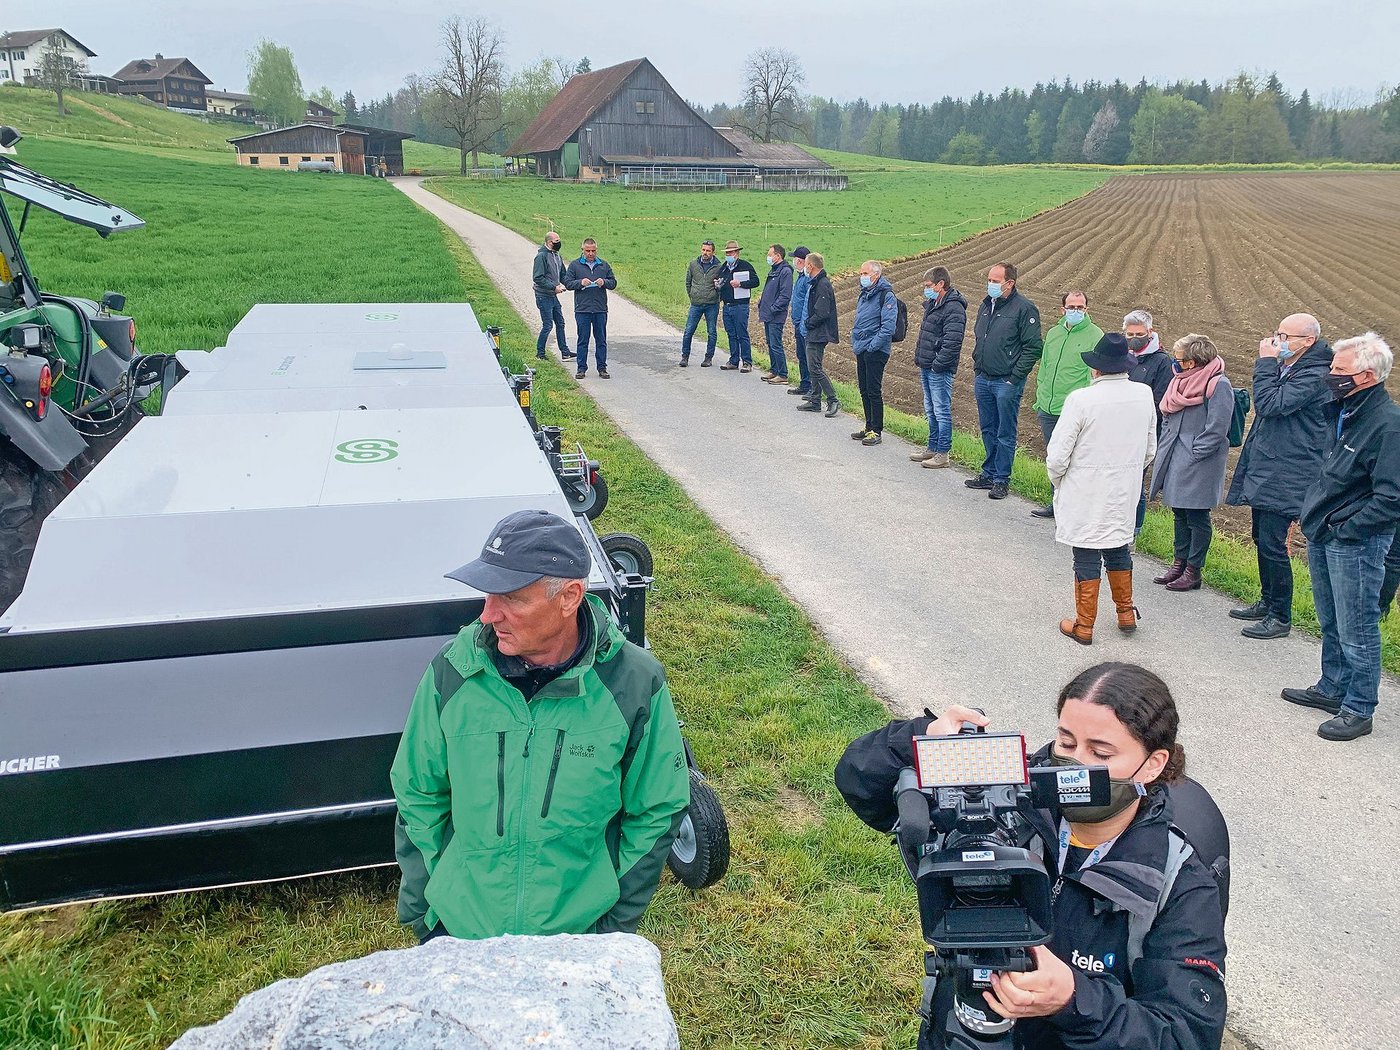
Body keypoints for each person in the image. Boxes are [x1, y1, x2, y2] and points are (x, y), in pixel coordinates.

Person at [835, 662, 1227, 1050]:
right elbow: (859, 781)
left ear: (1152, 764)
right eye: (1067, 743)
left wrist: (1074, 1000)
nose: (1077, 765)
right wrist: (921, 738)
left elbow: (1185, 1034)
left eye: (1101, 752)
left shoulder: (1179, 882)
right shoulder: (1006, 800)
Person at [392, 509, 691, 941]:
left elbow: (658, 807)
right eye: (487, 595)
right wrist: (427, 918)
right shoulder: (452, 673)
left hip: (578, 938)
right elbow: (417, 791)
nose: (488, 615)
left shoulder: (634, 684)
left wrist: (611, 926)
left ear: (569, 597)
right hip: (461, 934)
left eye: (510, 598)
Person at [1285, 332, 1400, 741]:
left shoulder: (1387, 426)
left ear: (1366, 376)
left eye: (1338, 370)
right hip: (1325, 532)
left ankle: (1359, 708)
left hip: (1356, 542)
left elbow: (1392, 498)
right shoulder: (1345, 410)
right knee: (1331, 618)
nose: (1330, 375)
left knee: (1358, 625)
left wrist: (1347, 530)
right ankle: (1332, 687)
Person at [1223, 314, 1333, 640]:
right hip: (1273, 464)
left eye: (1285, 336)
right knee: (1261, 537)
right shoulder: (1294, 367)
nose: (1277, 342)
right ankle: (1268, 600)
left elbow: (1270, 404)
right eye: (1277, 335)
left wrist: (1265, 364)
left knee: (1273, 543)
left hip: (1291, 471)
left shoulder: (1315, 374)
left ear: (1308, 341)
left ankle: (1280, 615)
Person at [1045, 333, 1157, 644]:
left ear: (1096, 368)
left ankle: (1084, 625)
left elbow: (1057, 455)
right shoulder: (1144, 394)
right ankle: (1125, 613)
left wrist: (1059, 480)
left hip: (1085, 487)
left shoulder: (1081, 399)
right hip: (1124, 487)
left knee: (1086, 550)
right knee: (1118, 544)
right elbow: (1150, 448)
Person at [1149, 335, 1233, 592]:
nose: (1175, 364)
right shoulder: (1180, 381)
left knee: (1197, 515)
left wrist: (1196, 452)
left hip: (1199, 461)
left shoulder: (1218, 384)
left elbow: (1218, 427)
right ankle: (1179, 563)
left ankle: (1193, 570)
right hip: (1175, 454)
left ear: (1193, 362)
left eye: (1179, 360)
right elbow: (1168, 414)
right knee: (1179, 510)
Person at [967, 262, 1043, 500]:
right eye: (989, 280)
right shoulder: (986, 305)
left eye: (995, 281)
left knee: (1005, 431)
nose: (990, 284)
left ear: (1010, 283)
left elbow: (1033, 348)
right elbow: (981, 336)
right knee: (988, 428)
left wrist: (1014, 377)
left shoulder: (1024, 309)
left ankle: (1001, 479)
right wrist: (978, 367)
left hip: (1006, 382)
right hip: (984, 377)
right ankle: (988, 473)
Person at [1030, 291, 1101, 518]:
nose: (1076, 311)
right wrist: (1040, 398)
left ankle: (1076, 510)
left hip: (1073, 410)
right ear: (1063, 309)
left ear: (1087, 310)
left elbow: (1096, 376)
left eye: (1080, 307)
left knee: (1076, 461)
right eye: (1072, 307)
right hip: (1048, 407)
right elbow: (1045, 367)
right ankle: (1057, 504)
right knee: (1055, 458)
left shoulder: (1095, 335)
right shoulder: (1054, 333)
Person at [910, 266, 967, 469]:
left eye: (928, 285)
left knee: (941, 410)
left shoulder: (954, 307)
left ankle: (943, 452)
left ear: (941, 284)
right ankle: (932, 447)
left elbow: (952, 342)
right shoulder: (933, 303)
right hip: (926, 364)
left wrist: (937, 365)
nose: (926, 289)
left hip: (939, 368)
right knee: (930, 408)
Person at [1124, 310, 1173, 535]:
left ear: (1150, 333)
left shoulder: (1162, 362)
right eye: (1130, 333)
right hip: (1119, 428)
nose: (1134, 337)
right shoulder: (1123, 355)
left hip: (1144, 432)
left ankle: (1134, 529)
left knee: (1136, 483)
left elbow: (1159, 401)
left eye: (1139, 333)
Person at [849, 260, 898, 446]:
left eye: (865, 274)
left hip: (876, 350)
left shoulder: (886, 296)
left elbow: (888, 327)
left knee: (874, 390)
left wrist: (871, 347)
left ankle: (876, 430)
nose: (862, 277)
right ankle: (868, 426)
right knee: (864, 389)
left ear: (876, 275)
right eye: (861, 274)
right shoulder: (864, 294)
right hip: (861, 348)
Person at [795, 251, 841, 418]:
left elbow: (822, 313)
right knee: (812, 365)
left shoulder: (822, 284)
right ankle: (815, 401)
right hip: (813, 331)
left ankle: (832, 399)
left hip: (818, 332)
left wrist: (807, 323)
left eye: (806, 264)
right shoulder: (815, 282)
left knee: (815, 367)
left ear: (810, 266)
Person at [563, 238, 617, 379]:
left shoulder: (603, 265)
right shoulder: (575, 265)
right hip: (583, 309)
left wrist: (604, 282)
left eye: (593, 251)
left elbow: (613, 283)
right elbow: (568, 283)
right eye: (588, 251)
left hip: (600, 309)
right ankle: (581, 369)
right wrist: (580, 282)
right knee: (583, 340)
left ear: (596, 250)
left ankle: (602, 368)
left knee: (601, 340)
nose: (591, 253)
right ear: (582, 250)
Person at [717, 240, 760, 372]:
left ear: (737, 253)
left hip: (741, 305)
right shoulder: (723, 267)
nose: (728, 255)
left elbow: (756, 281)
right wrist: (718, 285)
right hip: (727, 305)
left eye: (730, 252)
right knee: (731, 333)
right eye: (727, 253)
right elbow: (721, 282)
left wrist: (741, 284)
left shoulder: (745, 266)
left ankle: (747, 361)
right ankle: (734, 360)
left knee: (742, 333)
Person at [532, 231, 573, 362]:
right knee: (548, 325)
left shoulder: (557, 256)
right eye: (556, 241)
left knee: (560, 323)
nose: (558, 243)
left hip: (553, 296)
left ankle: (565, 352)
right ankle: (540, 353)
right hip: (543, 295)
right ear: (549, 242)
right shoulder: (541, 256)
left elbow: (562, 275)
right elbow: (538, 278)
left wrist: (573, 284)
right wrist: (553, 287)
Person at [680, 239, 722, 367]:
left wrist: (716, 296)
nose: (705, 253)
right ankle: (685, 356)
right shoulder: (693, 264)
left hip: (711, 304)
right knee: (688, 331)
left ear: (713, 252)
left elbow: (721, 285)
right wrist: (692, 296)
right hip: (696, 304)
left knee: (711, 332)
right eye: (703, 250)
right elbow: (688, 282)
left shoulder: (719, 266)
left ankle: (708, 358)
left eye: (708, 251)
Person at [758, 244, 794, 385]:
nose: (768, 257)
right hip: (768, 313)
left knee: (776, 344)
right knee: (770, 343)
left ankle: (782, 373)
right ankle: (774, 370)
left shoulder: (785, 272)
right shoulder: (774, 270)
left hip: (776, 315)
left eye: (770, 254)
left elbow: (785, 295)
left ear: (778, 256)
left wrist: (773, 308)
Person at [788, 246, 812, 396]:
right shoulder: (800, 277)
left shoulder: (807, 279)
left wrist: (803, 322)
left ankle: (811, 387)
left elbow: (807, 303)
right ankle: (804, 384)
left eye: (795, 259)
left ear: (800, 261)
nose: (793, 261)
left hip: (804, 324)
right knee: (801, 355)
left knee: (808, 357)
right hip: (797, 322)